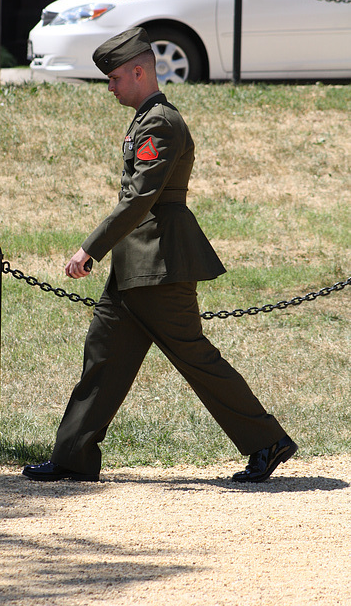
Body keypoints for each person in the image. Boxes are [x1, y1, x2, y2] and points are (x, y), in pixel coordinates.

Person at [23, 27, 297, 484]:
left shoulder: (161, 122)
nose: (108, 86)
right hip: (136, 264)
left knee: (193, 357)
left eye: (113, 78)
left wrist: (89, 248)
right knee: (104, 356)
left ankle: (267, 441)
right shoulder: (145, 119)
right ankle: (73, 456)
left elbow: (139, 199)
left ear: (138, 71)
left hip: (160, 262)